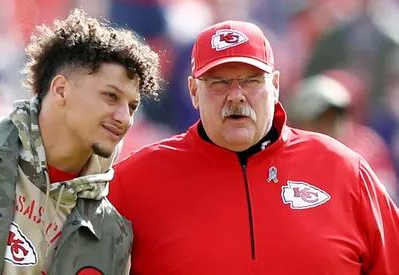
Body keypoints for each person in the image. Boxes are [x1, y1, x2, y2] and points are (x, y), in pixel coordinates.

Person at [108, 20, 399, 275]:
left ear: (275, 85)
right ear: (194, 92)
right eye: (219, 82)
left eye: (251, 80)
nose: (236, 96)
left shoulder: (347, 172)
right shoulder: (134, 180)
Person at [0, 9, 160, 275]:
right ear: (60, 89)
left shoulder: (113, 233)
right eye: (111, 96)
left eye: (132, 107)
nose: (124, 118)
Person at [287, 72, 398, 202]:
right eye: (321, 120)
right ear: (298, 123)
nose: (330, 127)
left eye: (335, 119)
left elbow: (386, 197)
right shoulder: (284, 159)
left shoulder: (367, 148)